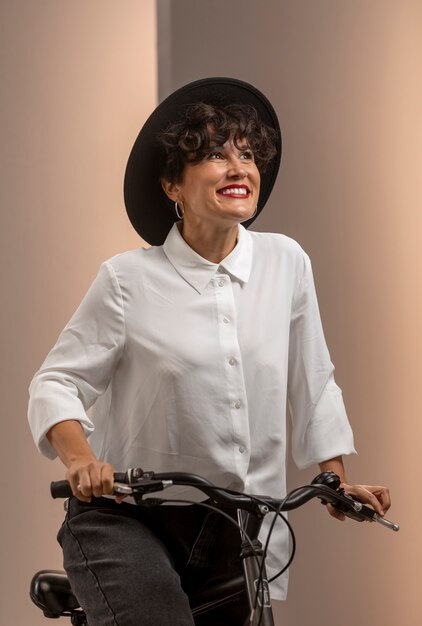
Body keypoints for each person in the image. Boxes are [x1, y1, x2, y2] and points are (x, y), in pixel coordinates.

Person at [28, 77, 391, 626]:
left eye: (247, 155)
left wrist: (336, 482)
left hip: (236, 527)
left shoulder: (286, 262)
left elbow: (312, 381)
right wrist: (81, 461)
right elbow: (56, 383)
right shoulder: (127, 280)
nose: (238, 167)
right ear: (173, 184)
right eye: (215, 156)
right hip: (129, 520)